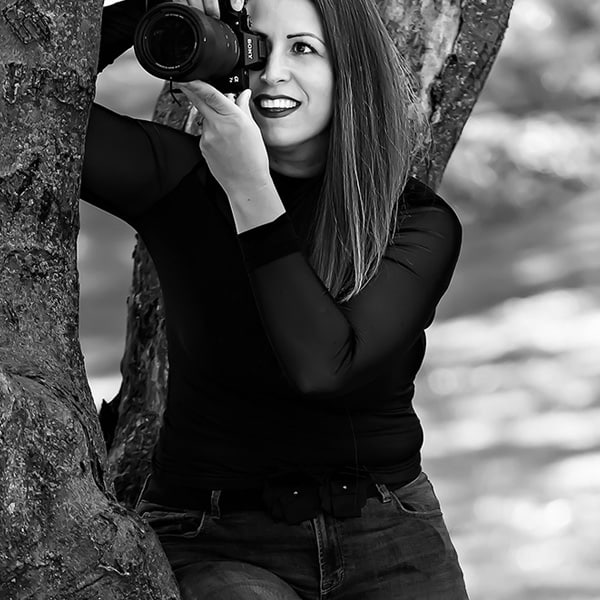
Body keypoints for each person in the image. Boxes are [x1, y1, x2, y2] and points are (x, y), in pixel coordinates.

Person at [84, 0, 470, 597]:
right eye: (255, 47)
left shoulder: (414, 222)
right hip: (216, 536)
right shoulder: (179, 180)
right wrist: (149, 12)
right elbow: (23, 108)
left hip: (387, 530)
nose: (274, 72)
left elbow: (324, 367)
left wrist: (250, 189)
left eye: (304, 49)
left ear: (351, 70)